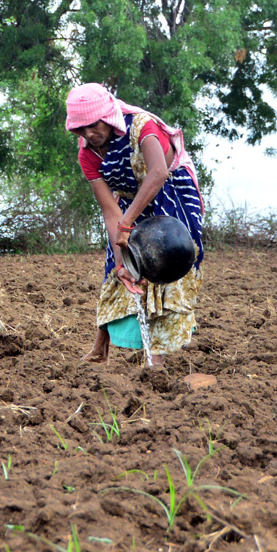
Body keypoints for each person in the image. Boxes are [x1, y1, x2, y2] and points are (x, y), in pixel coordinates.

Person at [65, 83, 205, 367]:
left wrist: (127, 223)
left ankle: (157, 359)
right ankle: (100, 347)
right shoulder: (87, 155)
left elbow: (158, 173)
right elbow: (110, 211)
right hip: (130, 200)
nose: (89, 135)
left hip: (171, 189)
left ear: (108, 117)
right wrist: (122, 261)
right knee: (119, 270)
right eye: (81, 130)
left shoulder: (141, 127)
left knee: (167, 261)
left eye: (94, 126)